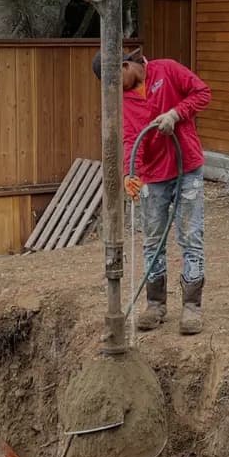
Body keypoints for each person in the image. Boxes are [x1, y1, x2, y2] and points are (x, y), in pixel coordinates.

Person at [92, 46, 212, 334]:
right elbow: (131, 138)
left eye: (114, 81)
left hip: (187, 168)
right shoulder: (124, 99)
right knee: (152, 241)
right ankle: (156, 304)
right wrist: (131, 174)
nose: (114, 88)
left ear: (124, 66)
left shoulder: (167, 69)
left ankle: (191, 307)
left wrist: (176, 113)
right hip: (154, 176)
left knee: (191, 237)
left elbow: (202, 93)